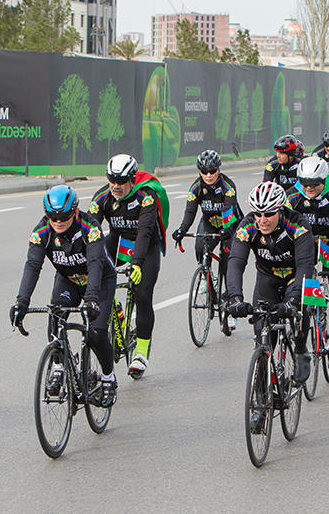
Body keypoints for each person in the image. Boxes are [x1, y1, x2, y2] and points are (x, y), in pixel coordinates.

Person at [11, 185, 118, 407]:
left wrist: (91, 299)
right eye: (52, 216)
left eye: (64, 216)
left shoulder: (90, 228)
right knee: (55, 316)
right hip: (68, 280)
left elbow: (96, 264)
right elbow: (33, 266)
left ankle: (109, 377)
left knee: (96, 334)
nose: (58, 221)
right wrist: (22, 301)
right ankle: (58, 365)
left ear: (76, 212)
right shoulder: (41, 232)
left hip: (99, 282)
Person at [226, 181, 314, 385]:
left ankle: (301, 350)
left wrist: (294, 300)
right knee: (263, 339)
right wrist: (234, 298)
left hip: (297, 275)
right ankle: (261, 398)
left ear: (280, 210)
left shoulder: (298, 225)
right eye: (258, 214)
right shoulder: (248, 226)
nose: (262, 220)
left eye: (268, 214)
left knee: (303, 308)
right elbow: (236, 262)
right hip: (268, 277)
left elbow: (305, 265)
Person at [88, 154, 167, 378]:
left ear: (131, 179)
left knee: (142, 294)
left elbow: (144, 232)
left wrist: (137, 264)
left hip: (146, 246)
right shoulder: (103, 196)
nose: (115, 186)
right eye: (111, 180)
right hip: (117, 239)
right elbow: (91, 228)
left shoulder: (146, 196)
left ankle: (141, 351)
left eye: (121, 181)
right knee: (99, 281)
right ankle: (116, 314)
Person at [285, 156, 329, 378]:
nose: (309, 188)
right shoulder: (292, 196)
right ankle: (303, 350)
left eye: (314, 184)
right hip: (307, 248)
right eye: (304, 183)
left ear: (324, 180)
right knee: (304, 297)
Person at [171, 150, 243, 334]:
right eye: (204, 172)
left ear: (218, 169)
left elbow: (228, 208)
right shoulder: (196, 187)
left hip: (230, 223)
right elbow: (190, 212)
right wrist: (181, 231)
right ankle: (205, 275)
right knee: (199, 246)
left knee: (229, 267)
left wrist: (227, 230)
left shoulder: (228, 185)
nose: (209, 175)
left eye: (212, 171)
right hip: (210, 223)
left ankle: (231, 304)